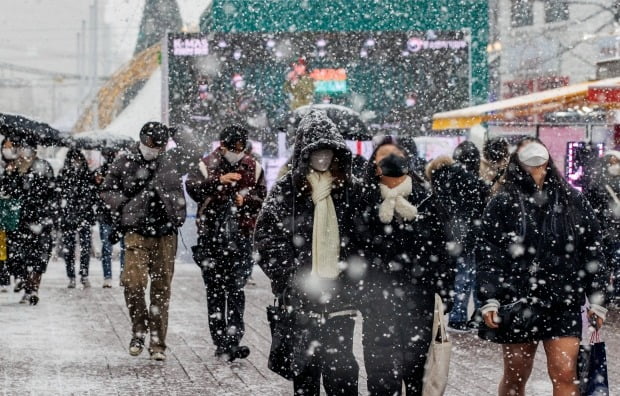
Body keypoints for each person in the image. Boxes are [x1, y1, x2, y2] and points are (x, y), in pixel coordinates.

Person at [477, 137, 609, 396]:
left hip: (562, 299)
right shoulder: (503, 202)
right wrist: (489, 297)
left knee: (564, 373)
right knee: (516, 375)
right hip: (517, 299)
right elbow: (489, 253)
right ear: (517, 162)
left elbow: (592, 249)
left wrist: (597, 298)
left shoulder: (572, 200)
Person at [254, 111, 360, 395]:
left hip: (341, 293)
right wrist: (288, 274)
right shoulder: (286, 190)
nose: (323, 159)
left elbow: (363, 236)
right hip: (301, 294)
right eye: (316, 152)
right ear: (304, 154)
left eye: (328, 152)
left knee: (341, 368)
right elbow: (266, 236)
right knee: (306, 369)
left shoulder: (349, 189)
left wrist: (355, 271)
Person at [359, 139, 454, 395]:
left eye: (396, 155)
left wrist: (445, 291)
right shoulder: (364, 201)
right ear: (375, 166)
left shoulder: (427, 201)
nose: (391, 161)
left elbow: (444, 249)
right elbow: (355, 250)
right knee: (382, 377)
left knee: (415, 375)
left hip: (418, 301)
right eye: (384, 156)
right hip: (378, 303)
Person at [101, 121, 196, 361]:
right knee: (133, 283)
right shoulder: (125, 160)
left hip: (165, 233)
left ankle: (157, 343)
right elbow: (107, 191)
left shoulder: (170, 160)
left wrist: (179, 133)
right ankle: (139, 329)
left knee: (161, 291)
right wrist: (126, 206)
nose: (155, 149)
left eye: (160, 145)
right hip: (136, 231)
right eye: (152, 144)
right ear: (142, 140)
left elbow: (195, 154)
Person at [185, 125, 266, 361]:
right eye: (232, 146)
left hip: (241, 237)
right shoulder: (205, 164)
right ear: (222, 145)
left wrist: (246, 199)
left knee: (236, 289)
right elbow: (193, 189)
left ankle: (234, 339)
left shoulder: (254, 166)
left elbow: (264, 197)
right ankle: (220, 340)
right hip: (211, 237)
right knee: (215, 291)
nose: (236, 151)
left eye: (240, 147)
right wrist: (218, 181)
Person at [425, 152, 486, 332]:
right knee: (473, 275)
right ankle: (477, 317)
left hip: (453, 233)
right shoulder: (464, 174)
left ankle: (457, 318)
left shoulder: (439, 180)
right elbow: (482, 193)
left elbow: (443, 207)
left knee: (460, 276)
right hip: (472, 230)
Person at [0, 135, 55, 305]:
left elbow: (51, 191)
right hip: (19, 219)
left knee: (39, 257)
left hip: (40, 218)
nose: (24, 152)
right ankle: (25, 282)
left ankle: (33, 289)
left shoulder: (44, 167)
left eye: (28, 148)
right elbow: (6, 191)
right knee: (18, 255)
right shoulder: (13, 168)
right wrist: (9, 176)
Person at [57, 148, 98, 289]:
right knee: (69, 248)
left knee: (85, 247)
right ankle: (72, 276)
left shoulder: (87, 175)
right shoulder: (64, 174)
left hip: (83, 215)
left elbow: (93, 195)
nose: (76, 162)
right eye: (74, 159)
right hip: (69, 217)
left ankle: (84, 274)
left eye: (78, 159)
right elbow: (59, 195)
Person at [583, 149, 620, 303]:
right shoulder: (598, 183)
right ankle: (611, 294)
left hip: (610, 230)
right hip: (606, 230)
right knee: (609, 264)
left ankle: (610, 295)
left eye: (616, 162)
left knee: (611, 265)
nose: (615, 165)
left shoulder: (595, 181)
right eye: (612, 162)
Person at [94, 148, 123, 288]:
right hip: (109, 214)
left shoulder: (121, 171)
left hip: (118, 213)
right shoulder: (101, 172)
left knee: (119, 247)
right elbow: (96, 192)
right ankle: (109, 276)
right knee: (108, 247)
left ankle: (117, 275)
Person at [0, 137, 20, 292]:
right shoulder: (1, 167)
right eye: (5, 147)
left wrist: (12, 176)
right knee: (1, 246)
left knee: (14, 245)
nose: (7, 149)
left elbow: (21, 189)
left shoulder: (20, 168)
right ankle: (3, 277)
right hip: (2, 211)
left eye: (10, 147)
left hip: (14, 212)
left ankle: (17, 275)